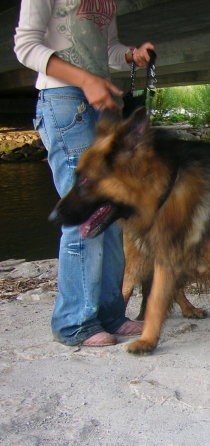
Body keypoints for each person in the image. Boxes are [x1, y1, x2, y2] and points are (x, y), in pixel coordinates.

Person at [14, 0, 155, 347]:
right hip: (62, 100)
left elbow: (104, 51)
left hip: (100, 102)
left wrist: (130, 55)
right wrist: (86, 80)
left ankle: (109, 315)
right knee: (84, 212)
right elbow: (25, 46)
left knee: (110, 211)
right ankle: (74, 322)